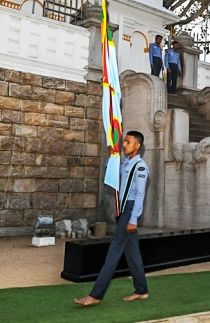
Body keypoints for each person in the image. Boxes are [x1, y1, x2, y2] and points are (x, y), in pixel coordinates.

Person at [74, 131, 150, 306]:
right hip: (122, 211)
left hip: (129, 211)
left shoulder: (140, 167)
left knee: (113, 252)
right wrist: (111, 158)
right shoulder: (126, 164)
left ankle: (96, 295)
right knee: (133, 254)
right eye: (125, 142)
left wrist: (133, 219)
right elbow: (112, 177)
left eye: (128, 142)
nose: (124, 145)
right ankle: (142, 290)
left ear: (137, 146)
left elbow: (140, 195)